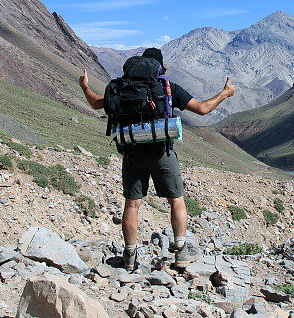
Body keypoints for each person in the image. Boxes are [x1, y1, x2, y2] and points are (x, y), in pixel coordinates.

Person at [78, 47, 235, 270]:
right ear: (160, 67)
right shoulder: (167, 87)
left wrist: (84, 86)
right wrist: (225, 93)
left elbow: (95, 102)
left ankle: (130, 255)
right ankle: (181, 252)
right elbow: (202, 109)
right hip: (162, 153)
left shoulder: (122, 88)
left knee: (132, 204)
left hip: (132, 152)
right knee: (177, 200)